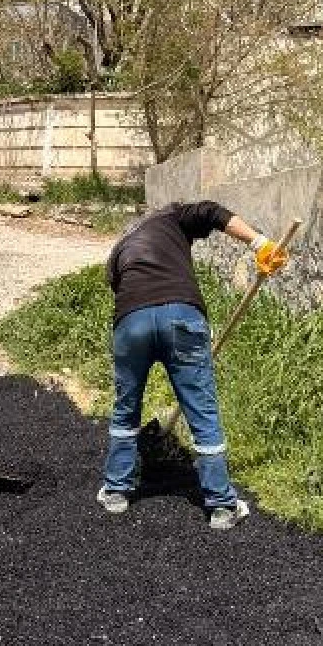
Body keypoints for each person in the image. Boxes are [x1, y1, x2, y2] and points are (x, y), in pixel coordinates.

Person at [100, 201, 290, 527]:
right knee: (201, 411)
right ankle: (221, 506)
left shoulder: (118, 251)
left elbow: (121, 290)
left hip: (131, 324)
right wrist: (261, 243)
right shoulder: (170, 216)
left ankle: (116, 491)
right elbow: (211, 212)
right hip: (182, 317)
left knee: (125, 407)